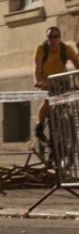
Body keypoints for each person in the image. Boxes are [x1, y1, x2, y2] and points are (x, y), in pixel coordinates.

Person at [32, 25, 78, 154]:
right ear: (47, 38)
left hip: (62, 81)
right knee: (47, 101)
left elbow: (77, 64)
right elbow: (36, 67)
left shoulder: (66, 49)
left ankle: (64, 132)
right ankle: (39, 127)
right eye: (50, 37)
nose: (52, 39)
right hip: (46, 81)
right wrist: (39, 81)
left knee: (65, 104)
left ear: (59, 38)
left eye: (55, 37)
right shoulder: (41, 49)